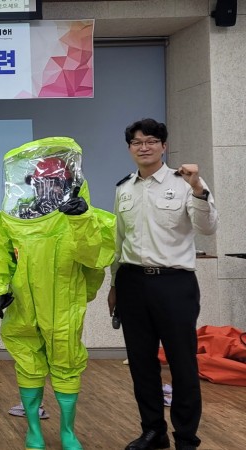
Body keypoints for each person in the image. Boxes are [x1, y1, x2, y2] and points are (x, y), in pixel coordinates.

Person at [0, 137, 115, 450]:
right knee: (28, 362)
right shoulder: (13, 219)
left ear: (69, 184)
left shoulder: (85, 217)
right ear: (32, 185)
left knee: (67, 362)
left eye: (55, 182)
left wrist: (81, 220)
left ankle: (67, 431)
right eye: (42, 182)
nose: (48, 188)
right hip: (23, 305)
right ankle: (34, 431)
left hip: (64, 304)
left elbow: (96, 257)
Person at [108, 119, 218, 450]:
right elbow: (119, 241)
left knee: (182, 363)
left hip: (174, 284)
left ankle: (186, 437)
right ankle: (153, 431)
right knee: (141, 363)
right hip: (132, 283)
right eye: (137, 142)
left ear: (163, 146)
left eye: (151, 141)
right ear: (129, 148)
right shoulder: (124, 188)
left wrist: (197, 187)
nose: (144, 147)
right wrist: (114, 285)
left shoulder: (185, 183)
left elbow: (207, 227)